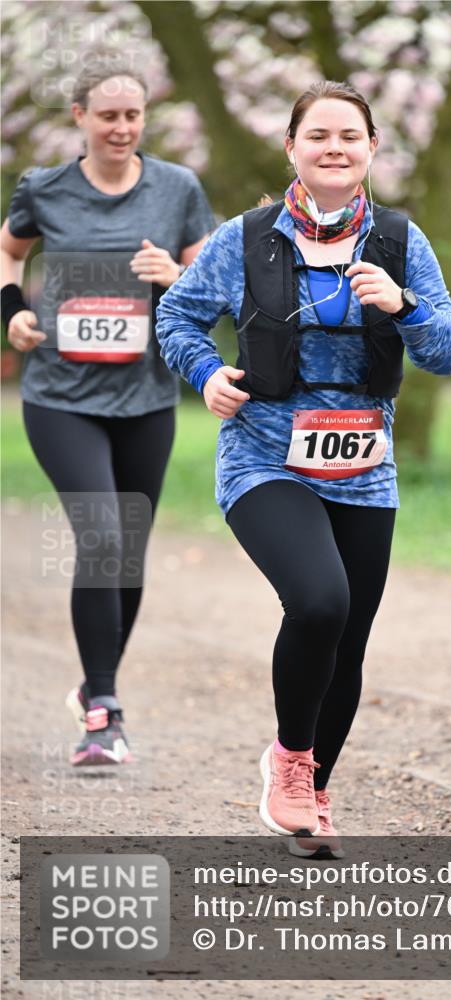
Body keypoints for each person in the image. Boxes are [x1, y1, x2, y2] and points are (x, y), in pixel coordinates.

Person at [156, 80, 451, 854]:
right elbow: (177, 315)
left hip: (364, 464)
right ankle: (289, 761)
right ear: (291, 148)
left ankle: (314, 792)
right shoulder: (245, 237)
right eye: (319, 135)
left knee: (348, 640)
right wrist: (205, 374)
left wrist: (403, 306)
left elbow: (450, 352)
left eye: (350, 137)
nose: (335, 148)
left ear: (371, 149)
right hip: (265, 458)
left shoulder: (399, 241)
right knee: (320, 601)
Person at [0, 53, 214, 767]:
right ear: (80, 118)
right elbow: (10, 249)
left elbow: (208, 282)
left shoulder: (178, 187)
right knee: (99, 536)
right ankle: (104, 710)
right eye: (108, 116)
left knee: (126, 552)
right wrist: (13, 313)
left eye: (133, 115)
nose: (122, 128)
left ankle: (98, 684)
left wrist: (175, 276)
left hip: (146, 396)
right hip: (60, 394)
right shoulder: (45, 188)